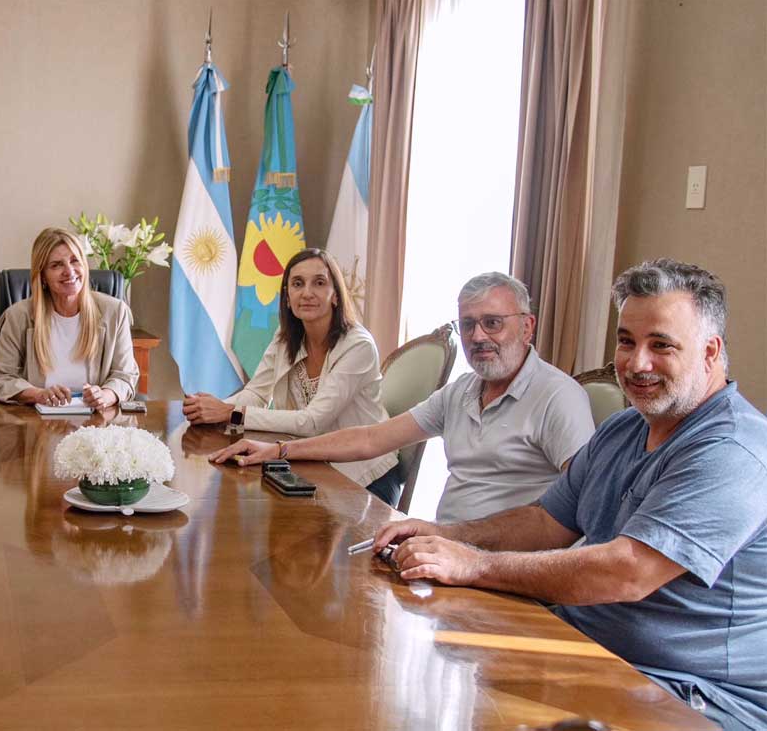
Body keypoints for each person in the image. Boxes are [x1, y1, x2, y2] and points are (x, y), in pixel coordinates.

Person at [370, 260, 767, 730]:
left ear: (710, 351)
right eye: (626, 341)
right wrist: (446, 534)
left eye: (661, 345)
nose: (637, 363)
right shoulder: (623, 428)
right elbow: (546, 522)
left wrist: (473, 564)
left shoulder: (733, 450)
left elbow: (628, 572)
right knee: (407, 686)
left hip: (692, 694)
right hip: (584, 649)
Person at [211, 271, 595, 518]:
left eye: (493, 323)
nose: (478, 337)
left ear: (527, 327)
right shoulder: (462, 391)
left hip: (499, 567)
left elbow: (582, 508)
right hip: (446, 551)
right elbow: (370, 438)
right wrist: (277, 450)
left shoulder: (558, 397)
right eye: (468, 325)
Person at [185, 248, 399, 500]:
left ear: (335, 296)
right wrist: (212, 410)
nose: (307, 293)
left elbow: (312, 422)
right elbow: (257, 393)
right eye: (297, 284)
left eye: (319, 283)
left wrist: (231, 413)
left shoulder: (358, 345)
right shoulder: (285, 337)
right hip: (308, 464)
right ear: (287, 297)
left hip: (363, 478)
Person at [0, 227, 139, 408]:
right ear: (42, 275)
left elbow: (125, 375)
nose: (69, 271)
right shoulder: (18, 317)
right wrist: (39, 395)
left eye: (75, 261)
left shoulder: (115, 312)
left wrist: (105, 395)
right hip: (37, 425)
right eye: (56, 265)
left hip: (96, 426)